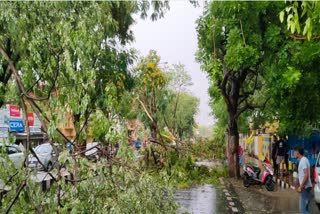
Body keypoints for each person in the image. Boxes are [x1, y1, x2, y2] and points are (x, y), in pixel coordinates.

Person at [294, 146, 312, 214]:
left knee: (303, 210)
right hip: (306, 186)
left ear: (297, 152)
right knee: (305, 208)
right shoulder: (305, 159)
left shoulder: (303, 161)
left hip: (305, 187)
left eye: (294, 152)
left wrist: (301, 186)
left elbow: (306, 175)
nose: (294, 153)